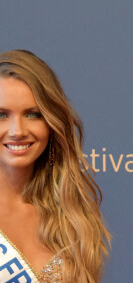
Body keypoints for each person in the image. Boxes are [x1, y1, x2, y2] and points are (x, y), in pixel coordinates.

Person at [0, 50, 110, 282]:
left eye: (33, 114)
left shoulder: (72, 214)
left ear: (52, 123)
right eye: (2, 115)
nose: (17, 131)